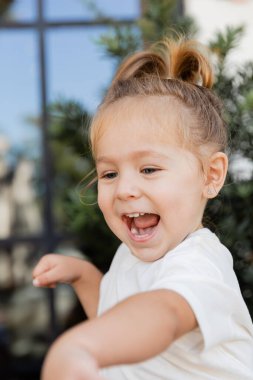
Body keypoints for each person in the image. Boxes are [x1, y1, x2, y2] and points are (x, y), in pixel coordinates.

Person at [32, 37, 253, 380]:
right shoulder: (129, 257)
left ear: (210, 176)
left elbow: (163, 315)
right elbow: (117, 326)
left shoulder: (198, 263)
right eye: (109, 173)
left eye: (149, 169)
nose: (125, 189)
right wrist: (85, 278)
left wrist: (82, 347)